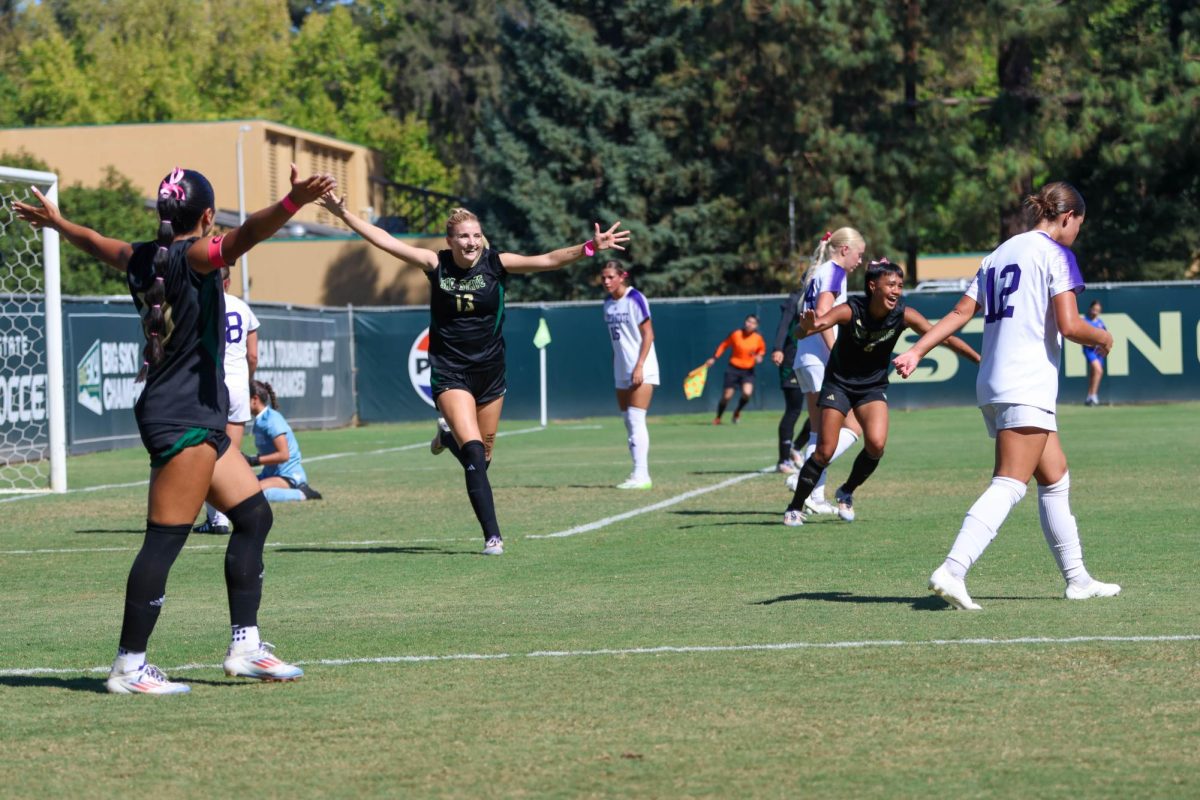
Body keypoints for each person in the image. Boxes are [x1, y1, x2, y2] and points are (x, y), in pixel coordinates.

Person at [14, 164, 336, 693]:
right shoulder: (195, 257)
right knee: (163, 542)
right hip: (181, 415)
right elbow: (246, 235)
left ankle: (246, 646)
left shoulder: (146, 257)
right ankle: (129, 666)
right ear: (207, 217)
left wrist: (58, 223)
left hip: (197, 413)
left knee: (253, 517)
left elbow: (98, 244)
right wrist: (291, 203)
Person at [318, 193, 630, 555]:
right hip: (451, 371)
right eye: (463, 236)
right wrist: (343, 213)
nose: (471, 242)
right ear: (450, 241)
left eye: (476, 235)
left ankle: (444, 438)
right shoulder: (435, 264)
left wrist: (590, 247)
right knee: (474, 451)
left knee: (483, 459)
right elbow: (384, 240)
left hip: (491, 372)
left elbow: (546, 260)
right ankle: (492, 536)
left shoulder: (497, 263)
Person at [893, 181, 1120, 610]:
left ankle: (1078, 579)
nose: (1076, 235)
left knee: (1054, 477)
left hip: (994, 382)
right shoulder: (1056, 253)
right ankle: (953, 569)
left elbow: (961, 312)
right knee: (1010, 482)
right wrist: (1102, 340)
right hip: (1025, 381)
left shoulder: (998, 253)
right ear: (1068, 217)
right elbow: (1070, 325)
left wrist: (918, 349)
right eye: (1078, 226)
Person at [782, 258, 980, 526]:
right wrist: (804, 327)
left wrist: (980, 359)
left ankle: (846, 491)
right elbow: (811, 327)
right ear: (873, 286)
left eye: (899, 285)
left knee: (876, 445)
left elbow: (943, 337)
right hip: (838, 384)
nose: (896, 290)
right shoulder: (850, 310)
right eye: (891, 284)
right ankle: (795, 507)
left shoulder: (903, 314)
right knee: (824, 451)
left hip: (871, 388)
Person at [789, 228, 867, 515]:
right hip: (821, 358)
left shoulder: (820, 270)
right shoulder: (834, 272)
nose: (860, 261)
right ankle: (804, 481)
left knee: (817, 431)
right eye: (859, 254)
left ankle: (814, 494)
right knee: (853, 427)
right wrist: (837, 352)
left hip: (806, 357)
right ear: (844, 249)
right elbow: (822, 314)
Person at [196, 266, 260, 533]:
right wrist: (248, 379)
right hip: (236, 384)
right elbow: (253, 355)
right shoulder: (242, 307)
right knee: (230, 455)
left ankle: (216, 518)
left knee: (206, 452)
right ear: (228, 282)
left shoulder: (200, 306)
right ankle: (234, 514)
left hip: (210, 385)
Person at [601, 260, 659, 489]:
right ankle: (636, 472)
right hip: (622, 368)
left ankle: (642, 475)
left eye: (610, 277)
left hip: (642, 367)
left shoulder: (635, 298)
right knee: (628, 421)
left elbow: (648, 334)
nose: (606, 281)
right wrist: (621, 365)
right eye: (603, 277)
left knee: (636, 419)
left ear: (621, 276)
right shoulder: (607, 303)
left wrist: (639, 366)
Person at [246, 379, 321, 502]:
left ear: (255, 399)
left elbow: (284, 455)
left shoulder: (272, 420)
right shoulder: (260, 420)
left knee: (257, 494)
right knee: (241, 490)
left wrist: (253, 460)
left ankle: (303, 493)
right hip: (270, 474)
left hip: (288, 476)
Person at [770, 281, 811, 474]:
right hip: (793, 360)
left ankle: (796, 447)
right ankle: (783, 460)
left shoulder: (826, 295)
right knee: (793, 410)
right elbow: (784, 325)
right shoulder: (797, 299)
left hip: (814, 360)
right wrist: (778, 348)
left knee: (823, 407)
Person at [706, 314, 766, 424]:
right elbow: (723, 345)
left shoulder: (758, 338)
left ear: (756, 326)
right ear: (745, 322)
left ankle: (737, 412)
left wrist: (759, 357)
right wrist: (714, 358)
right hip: (733, 369)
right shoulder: (736, 334)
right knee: (727, 396)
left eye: (753, 323)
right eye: (748, 321)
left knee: (747, 393)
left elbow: (761, 352)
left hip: (748, 371)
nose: (750, 324)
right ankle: (718, 417)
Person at [1082, 299, 1107, 406]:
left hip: (1099, 351)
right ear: (1090, 309)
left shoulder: (1100, 323)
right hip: (1089, 350)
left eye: (1097, 310)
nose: (1095, 312)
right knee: (1099, 370)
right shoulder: (1085, 321)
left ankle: (1089, 397)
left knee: (1094, 373)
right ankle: (1094, 396)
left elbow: (1105, 336)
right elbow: (1081, 337)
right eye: (1094, 309)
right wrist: (1090, 343)